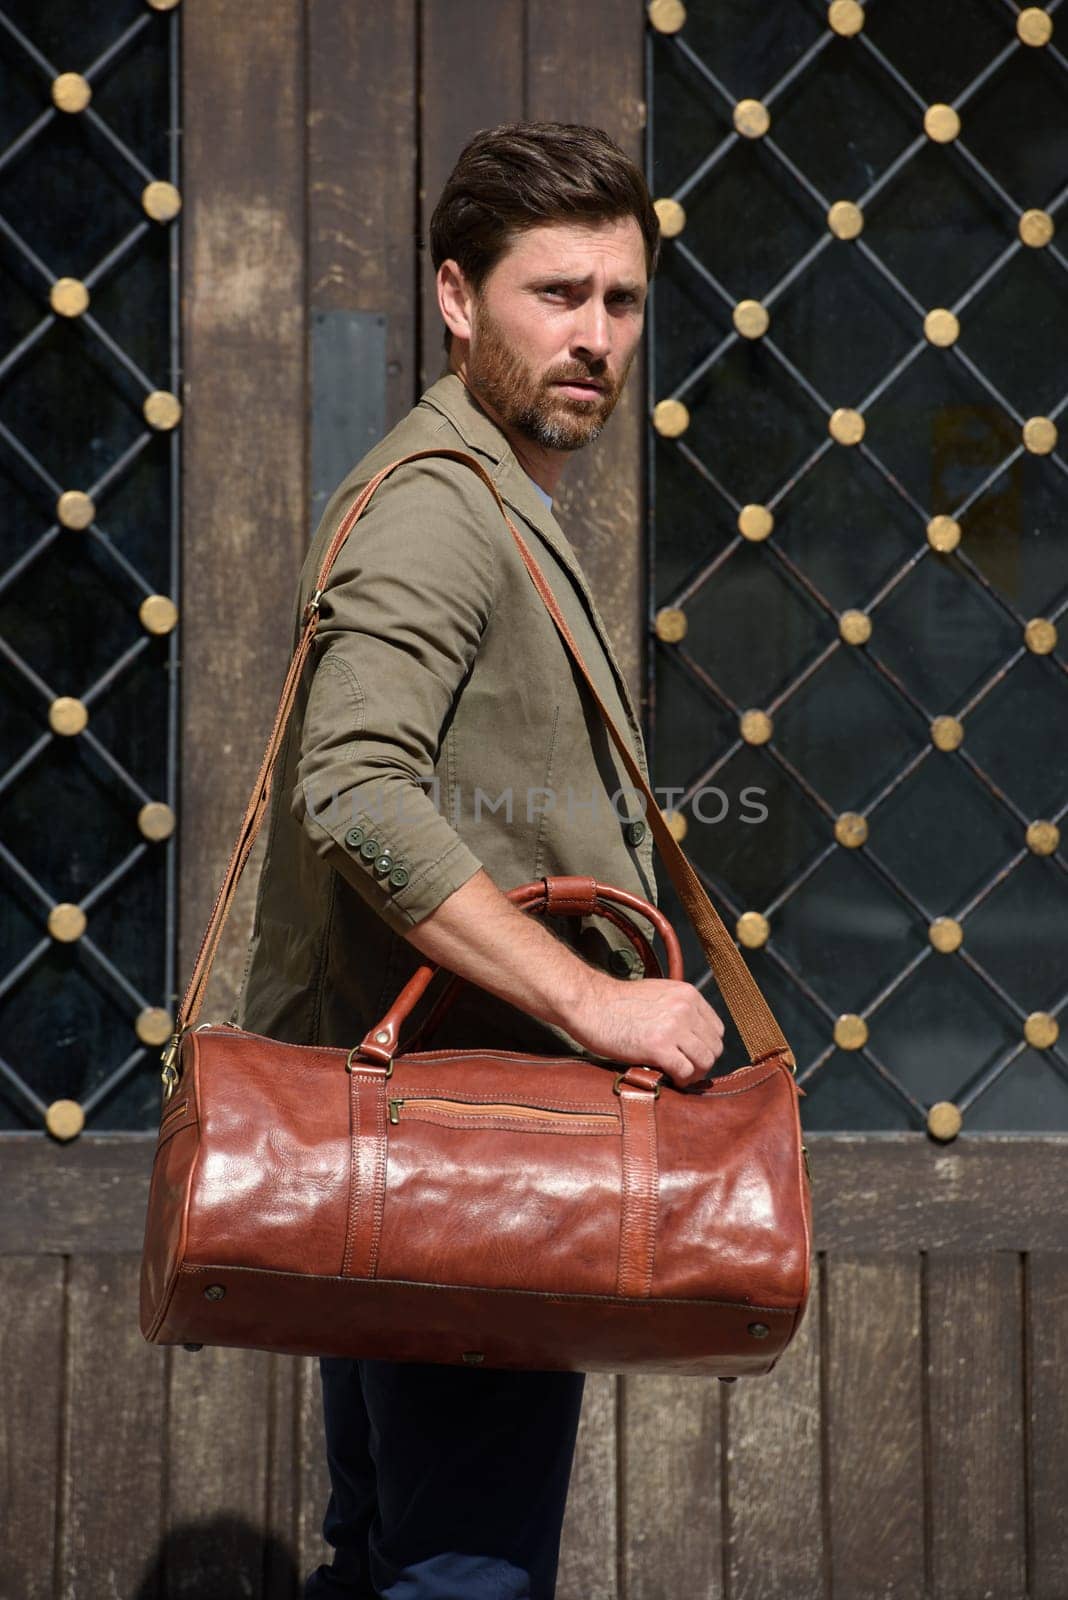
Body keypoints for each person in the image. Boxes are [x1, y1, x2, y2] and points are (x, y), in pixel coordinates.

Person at [231, 120, 725, 1600]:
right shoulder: (446, 508)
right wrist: (599, 1005)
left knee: (394, 1554)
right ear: (458, 298)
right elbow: (357, 791)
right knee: (462, 1574)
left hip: (427, 1135)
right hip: (477, 1140)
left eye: (622, 303)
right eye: (555, 295)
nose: (596, 340)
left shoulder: (484, 488)